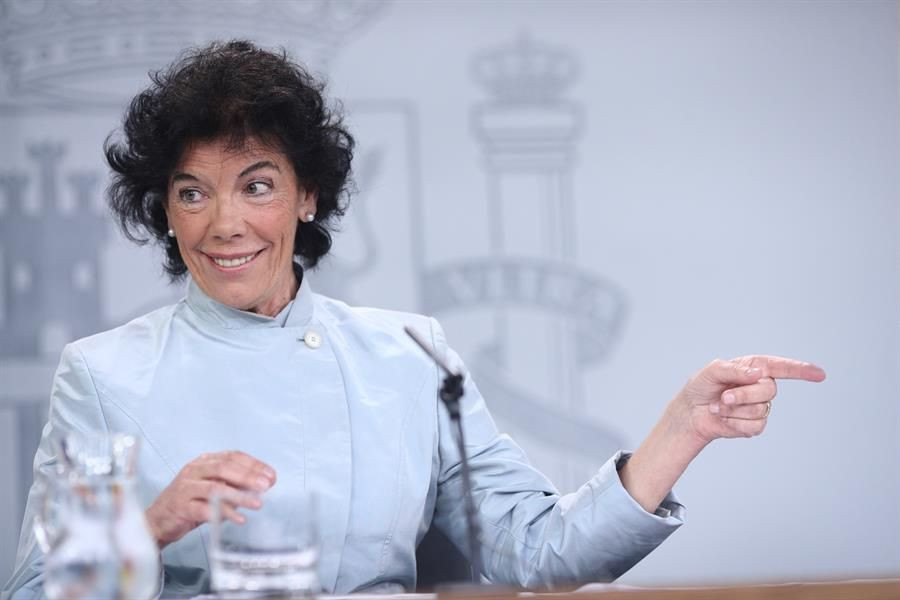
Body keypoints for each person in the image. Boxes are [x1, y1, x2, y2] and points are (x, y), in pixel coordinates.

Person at [3, 40, 825, 599]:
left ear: (307, 194)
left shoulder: (408, 353)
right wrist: (148, 528)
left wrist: (683, 428)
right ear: (166, 210)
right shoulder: (104, 374)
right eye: (193, 192)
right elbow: (38, 591)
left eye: (256, 185)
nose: (224, 223)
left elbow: (541, 551)